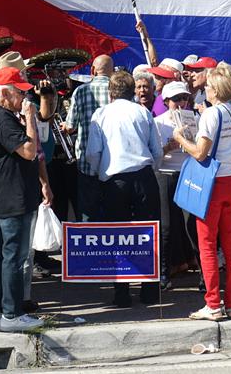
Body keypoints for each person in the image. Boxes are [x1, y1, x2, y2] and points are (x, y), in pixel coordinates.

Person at [174, 63, 231, 321]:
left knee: (207, 244)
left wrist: (180, 138)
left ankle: (213, 304)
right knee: (230, 245)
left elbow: (200, 153)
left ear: (215, 89)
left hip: (213, 183)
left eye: (207, 87)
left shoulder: (210, 114)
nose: (205, 90)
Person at [86, 71, 162, 307]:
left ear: (110, 92)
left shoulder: (101, 114)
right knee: (148, 234)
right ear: (131, 92)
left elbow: (93, 152)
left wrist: (101, 174)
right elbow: (156, 151)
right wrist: (151, 169)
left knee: (118, 238)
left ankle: (121, 292)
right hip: (143, 177)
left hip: (115, 180)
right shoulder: (141, 111)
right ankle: (150, 291)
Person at [0, 67, 44, 332]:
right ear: (6, 92)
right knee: (13, 256)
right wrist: (29, 118)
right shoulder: (2, 117)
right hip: (11, 196)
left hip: (4, 194)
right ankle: (11, 313)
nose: (24, 99)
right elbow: (29, 151)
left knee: (0, 253)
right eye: (20, 93)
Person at [154, 80, 197, 289]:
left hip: (188, 171)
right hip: (166, 173)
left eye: (184, 98)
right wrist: (168, 146)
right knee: (167, 226)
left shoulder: (194, 118)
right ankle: (163, 273)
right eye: (176, 99)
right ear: (166, 101)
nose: (181, 103)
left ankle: (204, 273)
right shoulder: (158, 122)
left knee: (193, 224)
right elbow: (154, 157)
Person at [64, 54, 112, 222]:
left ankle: (89, 246)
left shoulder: (81, 91)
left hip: (86, 163)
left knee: (88, 213)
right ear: (112, 72)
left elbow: (70, 126)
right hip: (113, 164)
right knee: (111, 213)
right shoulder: (117, 91)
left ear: (92, 70)